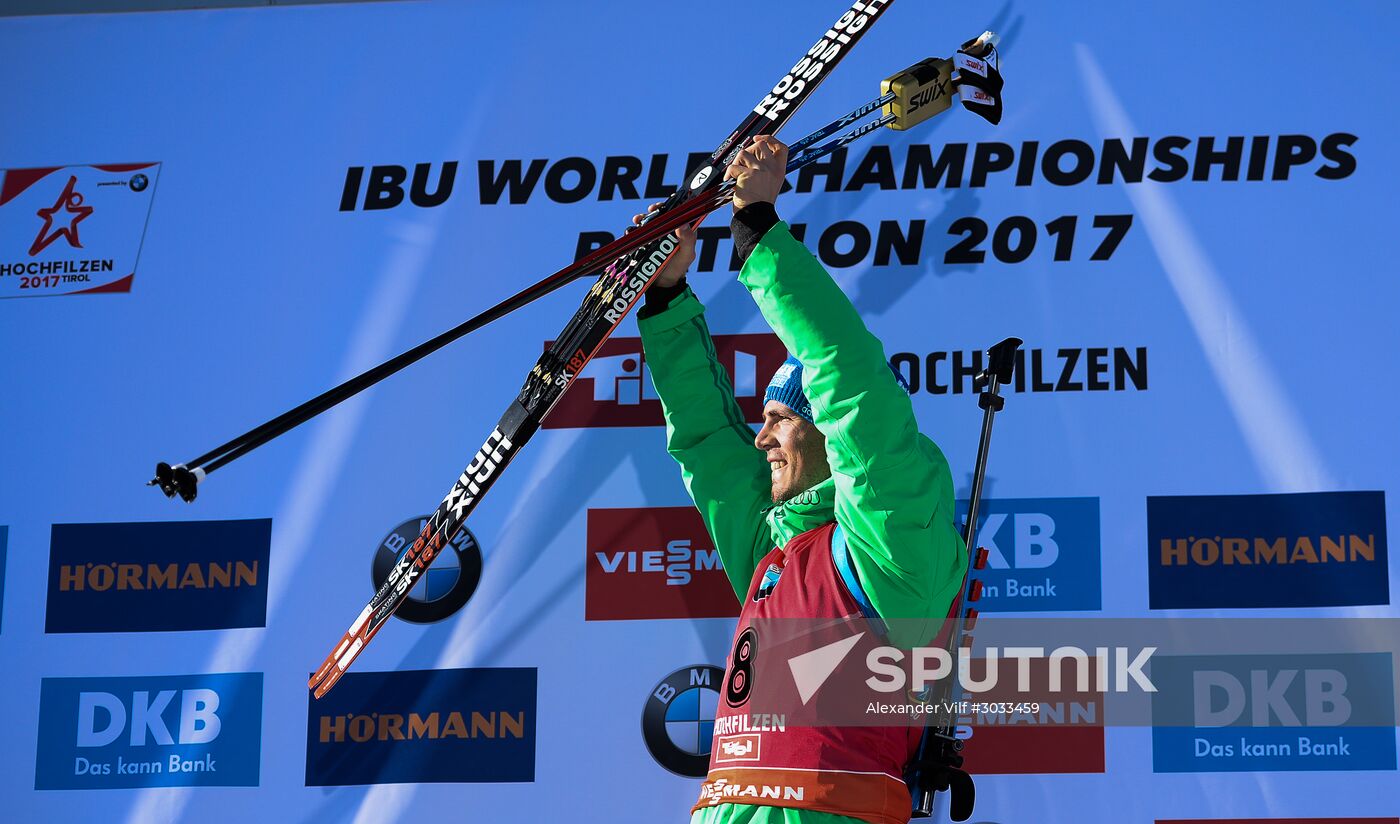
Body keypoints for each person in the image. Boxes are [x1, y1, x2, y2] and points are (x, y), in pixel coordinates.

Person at [636, 136, 967, 824]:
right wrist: (666, 296)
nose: (761, 440)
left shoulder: (892, 545)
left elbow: (847, 375)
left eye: (781, 420)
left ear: (829, 433)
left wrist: (756, 230)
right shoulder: (773, 553)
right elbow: (704, 443)